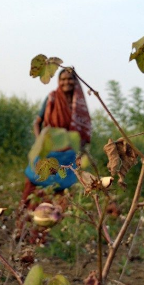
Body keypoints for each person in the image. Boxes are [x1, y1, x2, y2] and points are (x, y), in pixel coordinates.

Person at [21, 67, 92, 205]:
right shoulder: (52, 97)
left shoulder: (79, 104)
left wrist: (79, 149)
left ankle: (53, 222)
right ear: (59, 81)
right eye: (63, 79)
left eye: (70, 79)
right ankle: (25, 219)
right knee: (34, 185)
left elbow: (83, 130)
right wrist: (39, 142)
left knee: (62, 192)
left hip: (67, 155)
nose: (67, 82)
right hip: (48, 149)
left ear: (75, 81)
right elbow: (37, 122)